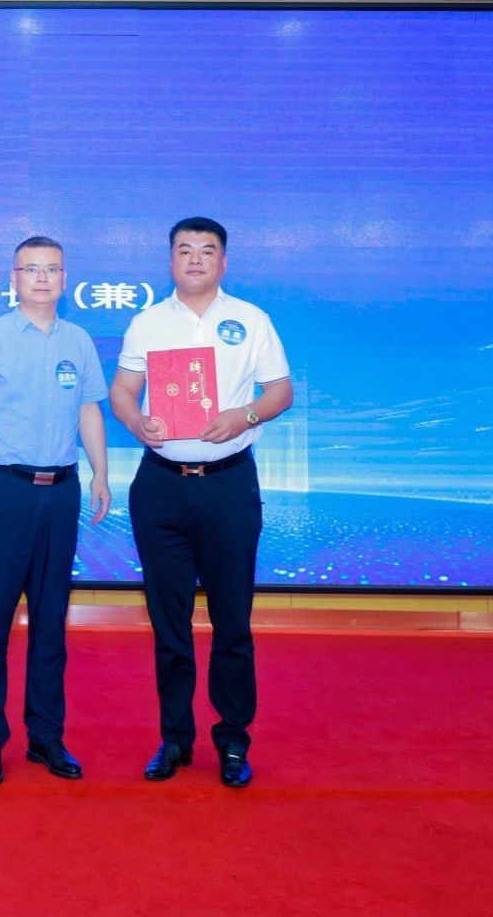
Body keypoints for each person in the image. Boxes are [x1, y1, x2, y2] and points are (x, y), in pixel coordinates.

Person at [109, 217, 292, 788]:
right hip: (161, 486)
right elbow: (122, 390)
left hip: (228, 485)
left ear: (223, 261)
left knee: (232, 619)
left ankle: (233, 740)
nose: (194, 259)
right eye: (184, 250)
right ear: (170, 260)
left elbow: (281, 391)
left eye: (206, 251)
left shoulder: (251, 319)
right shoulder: (148, 322)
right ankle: (174, 738)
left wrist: (246, 414)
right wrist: (135, 421)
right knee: (169, 622)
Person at [0, 236, 111, 786]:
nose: (42, 278)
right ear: (13, 278)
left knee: (50, 621)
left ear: (65, 280)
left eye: (52, 270)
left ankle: (47, 738)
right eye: (31, 269)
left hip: (60, 491)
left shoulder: (78, 340)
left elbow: (89, 410)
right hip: (2, 490)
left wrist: (101, 473)